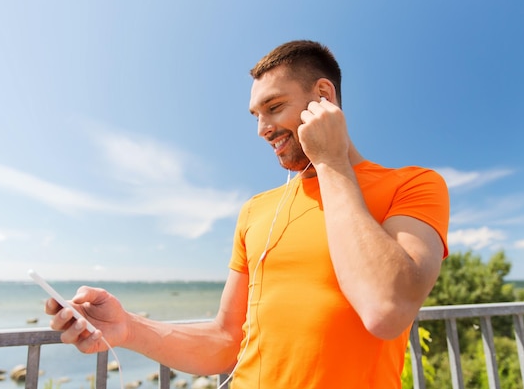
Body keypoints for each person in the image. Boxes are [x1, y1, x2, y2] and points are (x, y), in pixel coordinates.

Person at [46, 40, 450, 388]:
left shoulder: (413, 185)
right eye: (256, 115)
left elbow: (386, 310)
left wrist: (330, 163)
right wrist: (128, 328)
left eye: (273, 107)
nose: (262, 129)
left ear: (324, 97)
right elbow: (225, 341)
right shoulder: (257, 211)